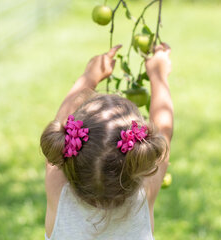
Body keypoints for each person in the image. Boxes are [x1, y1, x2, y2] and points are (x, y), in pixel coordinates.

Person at [40, 42, 173, 239]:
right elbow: (164, 128)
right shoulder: (143, 198)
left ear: (68, 144)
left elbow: (60, 119)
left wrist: (89, 77)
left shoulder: (58, 194)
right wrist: (158, 75)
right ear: (139, 153)